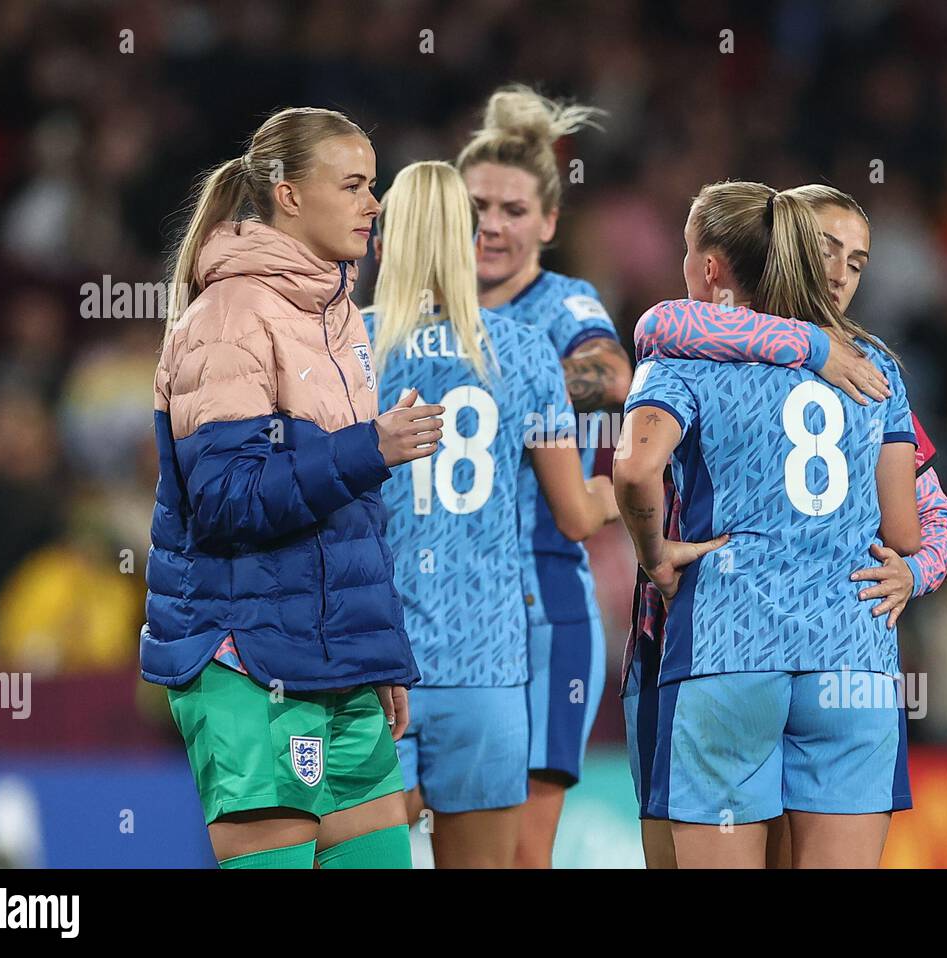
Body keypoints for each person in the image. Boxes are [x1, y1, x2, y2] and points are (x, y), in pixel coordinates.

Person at [141, 107, 444, 869]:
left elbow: (350, 519)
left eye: (372, 185)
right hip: (249, 662)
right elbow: (226, 499)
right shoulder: (229, 316)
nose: (373, 204)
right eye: (352, 185)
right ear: (287, 194)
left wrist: (374, 654)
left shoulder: (339, 316)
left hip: (337, 663)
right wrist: (368, 448)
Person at [625, 183, 947, 868]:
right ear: (785, 252)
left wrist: (655, 552)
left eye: (858, 261)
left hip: (722, 645)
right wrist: (808, 343)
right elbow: (910, 525)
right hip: (851, 658)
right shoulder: (875, 373)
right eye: (826, 251)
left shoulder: (695, 355)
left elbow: (655, 341)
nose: (840, 273)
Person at [364, 161, 619, 867]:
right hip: (487, 666)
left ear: (384, 242)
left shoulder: (349, 347)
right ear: (466, 240)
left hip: (375, 664)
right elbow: (572, 515)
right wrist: (618, 493)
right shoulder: (521, 348)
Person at [457, 84, 633, 866]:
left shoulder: (566, 306)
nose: (492, 224)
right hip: (431, 608)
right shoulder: (414, 309)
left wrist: (504, 380)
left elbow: (612, 376)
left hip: (540, 612)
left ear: (550, 223)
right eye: (476, 207)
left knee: (524, 855)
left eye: (514, 209)